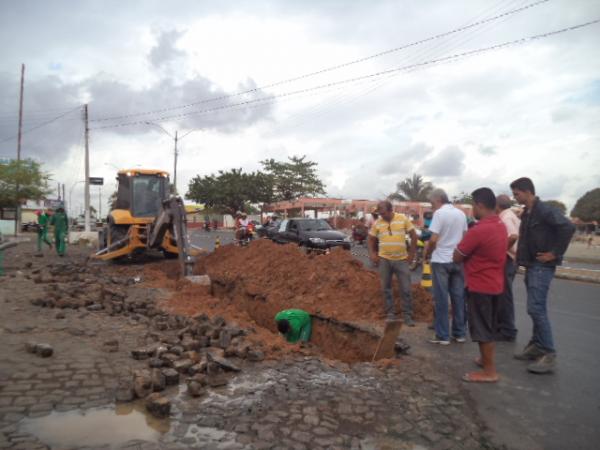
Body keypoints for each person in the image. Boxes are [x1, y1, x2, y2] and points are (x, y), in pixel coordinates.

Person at [510, 177, 575, 374]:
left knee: (536, 309)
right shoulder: (528, 213)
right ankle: (537, 346)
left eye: (517, 193)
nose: (515, 197)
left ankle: (548, 352)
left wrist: (554, 253)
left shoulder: (544, 210)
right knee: (534, 308)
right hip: (532, 265)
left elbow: (568, 227)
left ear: (528, 191)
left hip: (541, 266)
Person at [453, 188, 507, 383]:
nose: (472, 209)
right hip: (495, 284)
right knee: (489, 326)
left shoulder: (479, 230)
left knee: (482, 329)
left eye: (473, 205)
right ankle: (485, 360)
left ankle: (489, 372)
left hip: (480, 285)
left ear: (480, 205)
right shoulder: (500, 224)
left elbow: (457, 256)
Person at [425, 189, 467, 345]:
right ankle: (459, 333)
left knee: (442, 298)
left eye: (432, 203)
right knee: (458, 298)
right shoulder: (461, 214)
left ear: (437, 200)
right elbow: (464, 237)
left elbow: (433, 239)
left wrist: (428, 253)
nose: (432, 207)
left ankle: (442, 335)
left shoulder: (439, 214)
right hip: (457, 260)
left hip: (441, 261)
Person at [368, 200, 418, 325]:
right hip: (384, 260)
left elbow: (414, 236)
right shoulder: (378, 223)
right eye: (380, 213)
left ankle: (407, 315)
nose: (381, 215)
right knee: (386, 288)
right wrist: (372, 253)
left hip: (401, 260)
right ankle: (390, 314)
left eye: (383, 213)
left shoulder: (402, 219)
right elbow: (371, 239)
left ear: (391, 210)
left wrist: (411, 254)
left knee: (406, 288)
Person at [495, 194, 520, 341]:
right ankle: (502, 327)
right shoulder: (512, 216)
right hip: (512, 258)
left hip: (507, 258)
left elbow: (513, 236)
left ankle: (508, 330)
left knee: (504, 296)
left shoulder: (505, 218)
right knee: (503, 294)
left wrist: (501, 251)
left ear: (497, 206)